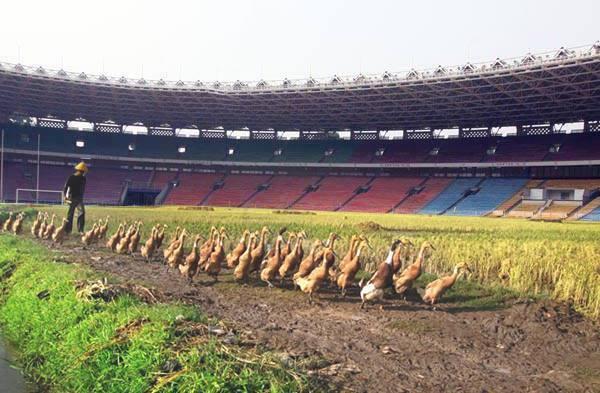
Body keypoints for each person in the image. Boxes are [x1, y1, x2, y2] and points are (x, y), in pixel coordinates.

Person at [63, 162, 88, 234]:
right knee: (70, 214)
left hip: (79, 198)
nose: (84, 173)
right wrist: (65, 196)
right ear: (81, 171)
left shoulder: (83, 179)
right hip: (72, 198)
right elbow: (66, 187)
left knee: (82, 212)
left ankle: (80, 230)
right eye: (83, 172)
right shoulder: (72, 177)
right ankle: (68, 230)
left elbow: (82, 189)